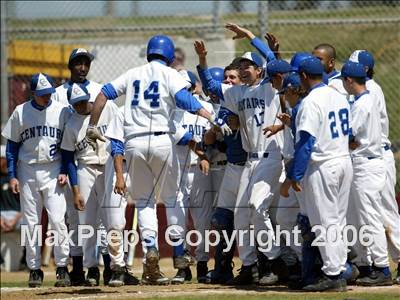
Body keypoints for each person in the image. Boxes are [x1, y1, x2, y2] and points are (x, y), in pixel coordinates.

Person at [84, 35, 231, 285]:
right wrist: (210, 116)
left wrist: (93, 124)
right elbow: (185, 100)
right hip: (163, 141)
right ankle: (178, 254)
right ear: (170, 56)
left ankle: (151, 246)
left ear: (149, 53)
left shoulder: (132, 73)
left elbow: (103, 94)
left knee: (144, 201)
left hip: (133, 142)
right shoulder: (170, 73)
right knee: (173, 198)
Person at [196, 37, 287, 286]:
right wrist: (223, 120)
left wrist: (249, 35)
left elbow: (275, 63)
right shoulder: (237, 92)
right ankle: (249, 266)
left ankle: (275, 260)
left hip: (270, 156)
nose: (245, 69)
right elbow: (218, 95)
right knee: (240, 215)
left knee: (259, 209)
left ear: (259, 70)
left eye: (250, 66)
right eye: (242, 65)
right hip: (250, 161)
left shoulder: (269, 87)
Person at [281, 57, 352, 292]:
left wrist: (296, 175)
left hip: (324, 165)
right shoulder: (338, 95)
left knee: (325, 221)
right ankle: (339, 268)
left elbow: (306, 142)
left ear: (302, 76)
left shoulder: (311, 102)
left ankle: (333, 274)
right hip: (343, 160)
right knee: (337, 219)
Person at [2, 73, 71, 287]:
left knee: (58, 219)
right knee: (31, 223)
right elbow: (12, 147)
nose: (46, 98)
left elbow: (68, 145)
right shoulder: (20, 112)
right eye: (42, 95)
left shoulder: (62, 111)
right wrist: (12, 175)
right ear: (33, 93)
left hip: (53, 168)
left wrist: (64, 169)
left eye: (49, 93)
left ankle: (61, 267)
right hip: (28, 170)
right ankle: (34, 269)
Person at [52, 48, 102, 285]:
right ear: (70, 66)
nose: (82, 67)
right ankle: (77, 266)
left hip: (88, 158)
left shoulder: (97, 89)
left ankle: (101, 267)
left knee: (96, 216)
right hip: (65, 159)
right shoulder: (58, 94)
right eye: (78, 63)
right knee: (72, 217)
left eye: (86, 63)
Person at [349, 50, 400, 284]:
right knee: (370, 215)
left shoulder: (372, 89)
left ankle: (390, 264)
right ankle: (371, 263)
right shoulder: (359, 91)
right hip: (371, 157)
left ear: (365, 70)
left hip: (377, 156)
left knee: (385, 214)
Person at [60, 83, 118, 286]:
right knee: (88, 221)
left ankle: (112, 267)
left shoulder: (107, 109)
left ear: (89, 97)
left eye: (83, 102)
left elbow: (119, 136)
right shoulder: (72, 124)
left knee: (110, 217)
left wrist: (121, 170)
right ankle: (92, 268)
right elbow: (68, 158)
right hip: (85, 167)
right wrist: (75, 190)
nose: (80, 106)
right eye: (76, 104)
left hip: (108, 164)